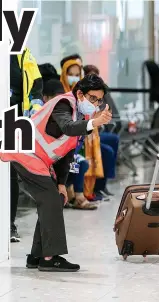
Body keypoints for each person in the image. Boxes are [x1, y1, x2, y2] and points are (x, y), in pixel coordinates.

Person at [0, 74, 112, 272]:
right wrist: (94, 123)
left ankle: (37, 255)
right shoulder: (64, 104)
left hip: (37, 159)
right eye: (92, 98)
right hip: (24, 152)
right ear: (80, 94)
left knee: (55, 198)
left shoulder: (82, 115)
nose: (95, 103)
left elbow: (67, 152)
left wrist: (61, 183)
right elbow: (68, 128)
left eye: (99, 100)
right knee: (50, 199)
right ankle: (50, 257)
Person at [43, 79, 98, 210]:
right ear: (45, 98)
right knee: (76, 165)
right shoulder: (45, 114)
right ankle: (75, 196)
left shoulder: (70, 111)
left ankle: (74, 194)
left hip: (65, 156)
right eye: (55, 98)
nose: (58, 101)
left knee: (81, 163)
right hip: (50, 158)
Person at [10, 48, 43, 242]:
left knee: (9, 175)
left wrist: (33, 112)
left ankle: (8, 224)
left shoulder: (22, 53)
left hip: (13, 121)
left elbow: (36, 85)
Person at [83, 65, 120, 198]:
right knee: (107, 151)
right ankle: (98, 187)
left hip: (97, 131)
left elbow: (108, 111)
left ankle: (104, 183)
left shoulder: (99, 92)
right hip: (86, 133)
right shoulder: (83, 94)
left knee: (113, 139)